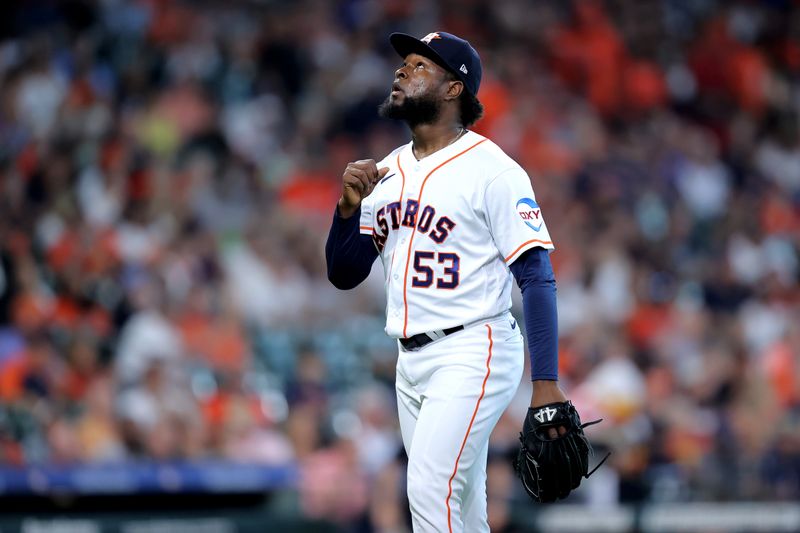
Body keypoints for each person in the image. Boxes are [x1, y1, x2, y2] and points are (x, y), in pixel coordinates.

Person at [325, 31, 568, 532]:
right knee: (462, 504)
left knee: (429, 490)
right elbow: (344, 274)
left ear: (454, 88)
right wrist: (347, 210)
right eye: (404, 64)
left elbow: (537, 278)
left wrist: (546, 384)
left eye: (418, 65)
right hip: (409, 361)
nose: (401, 71)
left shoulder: (494, 171)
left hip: (472, 348)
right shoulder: (386, 170)